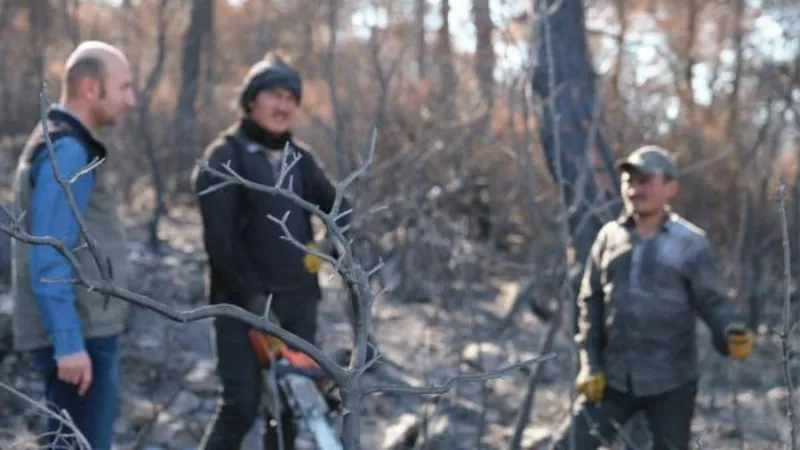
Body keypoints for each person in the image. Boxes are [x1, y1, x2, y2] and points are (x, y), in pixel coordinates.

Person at [193, 52, 351, 450]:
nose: (283, 106)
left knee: (289, 410)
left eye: (290, 98)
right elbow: (220, 242)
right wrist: (253, 305)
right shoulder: (223, 157)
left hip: (299, 303)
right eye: (273, 95)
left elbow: (340, 209)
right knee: (240, 406)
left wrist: (326, 249)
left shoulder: (300, 158)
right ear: (250, 101)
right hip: (239, 308)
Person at [550, 145, 755, 450]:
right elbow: (590, 302)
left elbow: (713, 302)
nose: (634, 189)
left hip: (672, 382)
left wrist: (730, 332)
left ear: (670, 186)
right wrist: (589, 362)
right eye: (629, 181)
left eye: (644, 180)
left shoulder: (691, 244)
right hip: (613, 379)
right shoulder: (609, 237)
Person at [10, 40, 136, 449]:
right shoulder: (66, 149)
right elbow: (49, 251)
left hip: (83, 333)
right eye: (124, 87)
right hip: (79, 339)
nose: (131, 101)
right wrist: (68, 344)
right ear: (90, 87)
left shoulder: (64, 141)